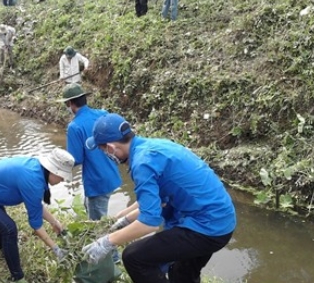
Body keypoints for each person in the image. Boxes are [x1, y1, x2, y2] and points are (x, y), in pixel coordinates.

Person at [82, 113, 237, 283]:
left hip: (207, 227)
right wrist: (123, 218)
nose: (105, 155)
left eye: (103, 150)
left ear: (111, 148)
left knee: (134, 257)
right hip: (222, 219)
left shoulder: (142, 163)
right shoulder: (152, 147)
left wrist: (107, 241)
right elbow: (155, 201)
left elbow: (149, 223)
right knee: (181, 274)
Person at [0, 148, 74, 283]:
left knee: (2, 222)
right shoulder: (33, 179)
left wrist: (54, 222)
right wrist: (56, 249)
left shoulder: (37, 170)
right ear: (54, 170)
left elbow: (35, 205)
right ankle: (18, 277)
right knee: (9, 229)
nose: (62, 180)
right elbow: (36, 226)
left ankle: (4, 251)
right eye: (62, 176)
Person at [57, 83, 122, 262]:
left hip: (97, 181)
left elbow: (75, 159)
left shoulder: (75, 126)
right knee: (93, 211)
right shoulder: (101, 114)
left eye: (66, 104)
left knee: (99, 225)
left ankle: (114, 260)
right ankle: (104, 253)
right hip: (111, 175)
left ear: (71, 104)